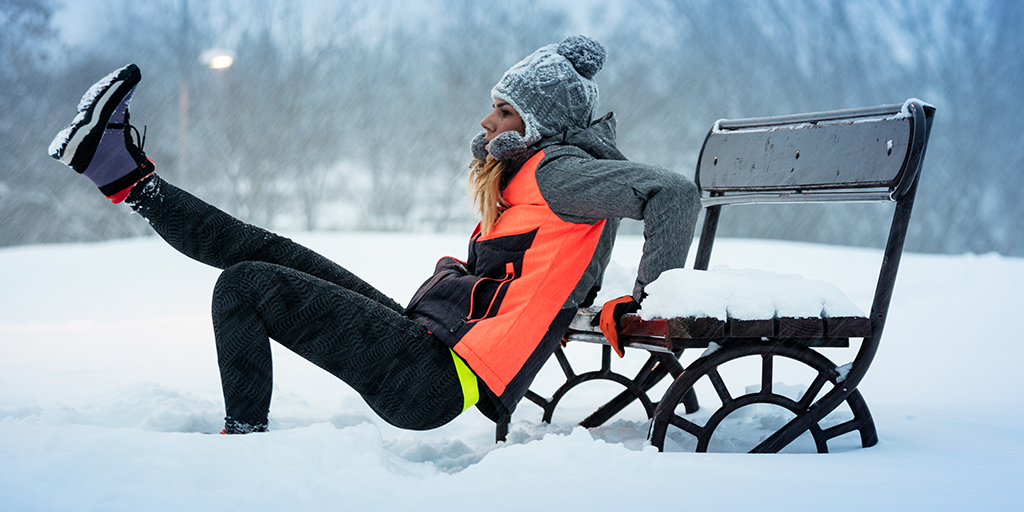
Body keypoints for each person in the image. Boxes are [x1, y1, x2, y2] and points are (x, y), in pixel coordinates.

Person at [48, 36, 701, 434]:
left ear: (538, 121)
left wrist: (650, 299)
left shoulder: (560, 171)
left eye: (503, 108)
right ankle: (123, 174)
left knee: (246, 287)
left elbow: (672, 191)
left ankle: (242, 441)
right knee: (269, 255)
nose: (485, 117)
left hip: (436, 377)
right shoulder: (536, 170)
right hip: (425, 344)